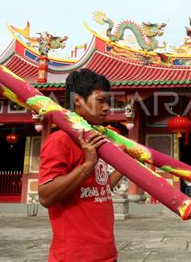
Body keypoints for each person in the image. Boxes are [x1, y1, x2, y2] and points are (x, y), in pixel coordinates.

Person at [38, 69, 123, 261]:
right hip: (75, 256)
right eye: (101, 100)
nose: (107, 107)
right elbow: (45, 196)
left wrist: (124, 168)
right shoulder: (60, 141)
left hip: (107, 253)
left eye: (107, 102)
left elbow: (100, 187)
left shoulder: (95, 139)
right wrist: (87, 164)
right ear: (78, 100)